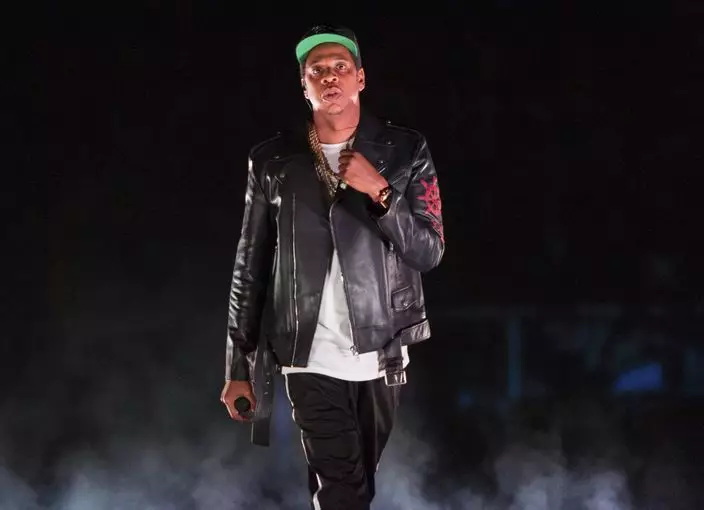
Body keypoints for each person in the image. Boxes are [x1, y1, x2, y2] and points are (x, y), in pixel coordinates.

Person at [220, 24, 445, 510]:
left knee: (354, 487)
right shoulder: (274, 160)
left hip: (383, 351)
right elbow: (249, 266)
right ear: (303, 85)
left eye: (340, 67)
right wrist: (239, 365)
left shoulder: (405, 151)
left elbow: (428, 252)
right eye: (316, 70)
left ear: (360, 78)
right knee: (342, 488)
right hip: (307, 353)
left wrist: (380, 191)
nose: (329, 77)